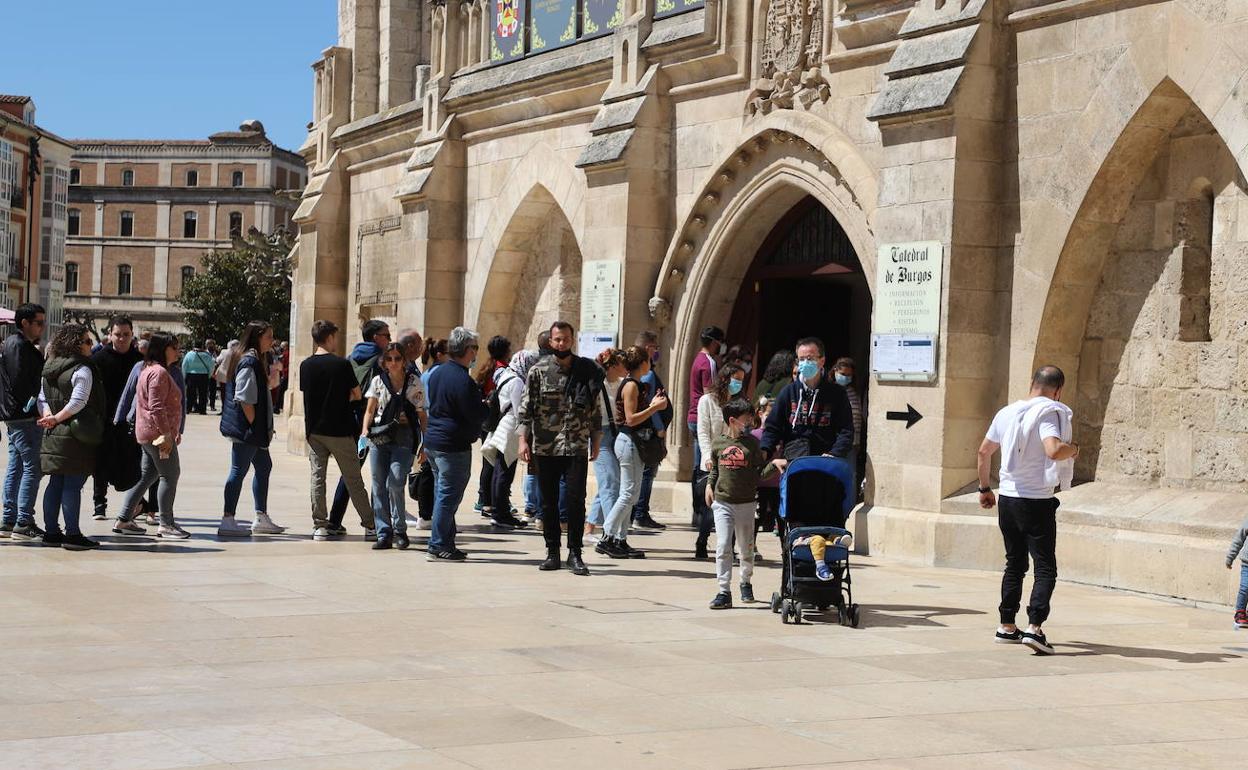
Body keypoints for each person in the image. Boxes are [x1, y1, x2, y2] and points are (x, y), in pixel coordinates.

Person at [976, 365, 1078, 657]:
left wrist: (985, 489)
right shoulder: (1049, 413)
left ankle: (1006, 625)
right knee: (1045, 567)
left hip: (1007, 499)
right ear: (1057, 391)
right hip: (1035, 500)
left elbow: (984, 451)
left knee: (1014, 563)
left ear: (1032, 383)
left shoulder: (1007, 412)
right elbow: (1054, 450)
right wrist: (1075, 449)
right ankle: (1035, 628)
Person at [518, 321, 602, 576]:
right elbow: (526, 409)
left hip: (576, 445)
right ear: (550, 342)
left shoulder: (587, 370)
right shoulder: (538, 371)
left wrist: (596, 442)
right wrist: (523, 440)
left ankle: (575, 553)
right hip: (546, 446)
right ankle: (552, 551)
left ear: (572, 340)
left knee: (576, 500)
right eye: (557, 340)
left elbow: (595, 410)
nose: (561, 344)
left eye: (565, 339)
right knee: (548, 502)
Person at [300, 320, 374, 541]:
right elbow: (357, 393)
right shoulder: (341, 365)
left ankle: (320, 526)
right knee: (353, 479)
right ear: (330, 337)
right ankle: (370, 525)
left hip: (315, 430)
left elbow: (308, 395)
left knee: (317, 477)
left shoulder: (305, 365)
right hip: (339, 429)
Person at [705, 398, 782, 608]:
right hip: (723, 502)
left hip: (747, 503)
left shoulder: (752, 444)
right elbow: (714, 469)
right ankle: (723, 590)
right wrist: (709, 485)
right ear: (732, 420)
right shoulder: (719, 443)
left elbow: (759, 473)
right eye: (746, 419)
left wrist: (773, 465)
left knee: (746, 548)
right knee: (722, 546)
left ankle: (745, 581)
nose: (750, 422)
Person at [111, 333, 188, 539]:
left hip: (148, 433)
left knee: (148, 474)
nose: (177, 351)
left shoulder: (147, 369)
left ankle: (124, 518)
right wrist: (167, 434)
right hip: (157, 435)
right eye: (174, 347)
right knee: (170, 474)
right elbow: (156, 407)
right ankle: (166, 523)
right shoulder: (159, 372)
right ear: (163, 349)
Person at [36, 324, 105, 551]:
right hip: (75, 434)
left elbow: (42, 397)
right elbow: (78, 402)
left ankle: (51, 532)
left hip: (52, 432)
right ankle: (72, 534)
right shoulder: (82, 369)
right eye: (87, 341)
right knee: (72, 485)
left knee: (55, 482)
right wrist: (57, 417)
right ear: (75, 344)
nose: (90, 345)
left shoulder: (49, 367)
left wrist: (48, 416)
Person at [423, 327, 488, 561]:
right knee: (448, 497)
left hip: (434, 441)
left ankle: (446, 542)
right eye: (475, 349)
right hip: (452, 446)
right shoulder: (463, 380)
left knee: (443, 493)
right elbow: (475, 414)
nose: (476, 354)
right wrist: (487, 407)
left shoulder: (438, 372)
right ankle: (438, 544)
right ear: (468, 350)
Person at [218, 321, 288, 537]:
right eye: (268, 336)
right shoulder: (249, 361)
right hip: (248, 430)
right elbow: (245, 398)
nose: (272, 340)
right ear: (257, 337)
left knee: (264, 466)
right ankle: (228, 518)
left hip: (254, 430)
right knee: (238, 471)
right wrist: (253, 423)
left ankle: (261, 516)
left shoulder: (255, 359)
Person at [599, 346, 668, 559]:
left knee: (632, 494)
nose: (651, 363)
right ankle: (607, 537)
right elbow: (630, 419)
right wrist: (655, 407)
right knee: (628, 493)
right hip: (629, 441)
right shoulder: (630, 386)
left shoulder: (635, 384)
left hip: (633, 442)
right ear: (643, 363)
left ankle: (620, 539)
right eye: (648, 359)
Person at [361, 342, 427, 550]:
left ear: (404, 360)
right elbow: (370, 410)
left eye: (398, 358)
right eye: (389, 359)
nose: (393, 362)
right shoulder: (378, 381)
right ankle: (384, 532)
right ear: (384, 361)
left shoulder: (414, 382)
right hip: (380, 437)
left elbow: (422, 415)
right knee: (378, 484)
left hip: (404, 437)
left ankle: (400, 529)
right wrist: (365, 431)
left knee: (396, 481)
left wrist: (425, 443)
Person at [328, 320, 390, 529]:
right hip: (374, 422)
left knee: (351, 472)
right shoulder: (381, 361)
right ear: (376, 337)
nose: (389, 340)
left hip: (351, 420)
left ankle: (335, 520)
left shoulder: (350, 357)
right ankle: (376, 524)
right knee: (380, 474)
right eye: (387, 336)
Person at [759, 337, 854, 462]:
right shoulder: (788, 392)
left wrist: (834, 453)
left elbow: (846, 430)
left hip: (825, 463)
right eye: (801, 359)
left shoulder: (837, 394)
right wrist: (764, 450)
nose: (805, 363)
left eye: (809, 359)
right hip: (793, 461)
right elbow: (773, 427)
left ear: (822, 361)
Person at [0, 303, 47, 541]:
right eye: (38, 322)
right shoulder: (18, 345)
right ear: (24, 323)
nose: (42, 327)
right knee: (33, 467)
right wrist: (35, 406)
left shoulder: (16, 344)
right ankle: (23, 521)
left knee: (17, 466)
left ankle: (9, 520)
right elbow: (21, 381)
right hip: (24, 415)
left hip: (16, 415)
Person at [90, 315, 144, 520]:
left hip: (131, 423)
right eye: (118, 334)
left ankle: (136, 504)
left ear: (132, 335)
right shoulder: (98, 360)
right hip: (104, 420)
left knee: (132, 463)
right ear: (110, 335)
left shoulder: (139, 361)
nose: (122, 339)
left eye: (126, 335)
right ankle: (99, 504)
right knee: (101, 463)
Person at [694, 363, 746, 559]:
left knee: (732, 506)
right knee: (710, 507)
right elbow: (703, 432)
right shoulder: (706, 401)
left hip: (733, 462)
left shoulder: (740, 403)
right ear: (725, 379)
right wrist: (707, 456)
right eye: (736, 379)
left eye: (741, 379)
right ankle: (702, 539)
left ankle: (729, 547)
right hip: (712, 462)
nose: (738, 383)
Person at [479, 345, 528, 530]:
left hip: (503, 426)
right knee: (504, 472)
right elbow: (518, 410)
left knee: (500, 471)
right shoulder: (516, 381)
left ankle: (499, 512)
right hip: (510, 429)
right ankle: (501, 514)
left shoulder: (505, 375)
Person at [631, 330, 672, 531]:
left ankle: (638, 512)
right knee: (648, 473)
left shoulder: (643, 373)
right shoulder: (647, 374)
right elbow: (650, 403)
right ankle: (640, 513)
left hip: (646, 430)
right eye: (655, 348)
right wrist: (659, 429)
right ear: (647, 348)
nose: (657, 351)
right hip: (650, 432)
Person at [687, 325, 724, 531]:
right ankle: (704, 514)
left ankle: (698, 513)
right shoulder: (708, 362)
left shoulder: (697, 359)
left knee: (697, 468)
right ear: (714, 342)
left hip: (694, 416)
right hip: (703, 417)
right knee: (706, 469)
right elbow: (710, 392)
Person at [587, 349, 625, 543]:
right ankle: (612, 534)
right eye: (621, 363)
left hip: (616, 435)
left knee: (610, 482)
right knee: (610, 482)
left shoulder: (620, 385)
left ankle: (590, 526)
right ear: (611, 365)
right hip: (600, 437)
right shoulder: (597, 385)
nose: (625, 366)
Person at [474, 335, 512, 519]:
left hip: (485, 419)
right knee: (493, 460)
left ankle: (484, 497)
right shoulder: (502, 370)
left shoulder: (486, 368)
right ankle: (488, 500)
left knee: (487, 459)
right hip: (496, 421)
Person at [414, 337, 448, 528]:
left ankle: (426, 514)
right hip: (433, 426)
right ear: (440, 354)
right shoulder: (437, 374)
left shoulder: (428, 374)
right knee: (432, 472)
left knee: (429, 471)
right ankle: (428, 515)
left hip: (429, 425)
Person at [833, 356, 864, 497]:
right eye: (843, 374)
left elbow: (857, 419)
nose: (845, 378)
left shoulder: (853, 392)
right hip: (833, 442)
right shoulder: (830, 390)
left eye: (849, 375)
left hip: (851, 444)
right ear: (835, 371)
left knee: (850, 477)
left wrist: (857, 441)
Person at [1226, 518, 1248, 629]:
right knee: (1245, 588)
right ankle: (1240, 612)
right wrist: (1230, 558)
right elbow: (1238, 540)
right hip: (1247, 563)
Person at [181, 341, 214, 415]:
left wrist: (184, 376)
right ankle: (202, 410)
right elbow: (212, 366)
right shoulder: (207, 355)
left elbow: (184, 365)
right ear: (202, 346)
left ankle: (188, 408)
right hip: (204, 375)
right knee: (203, 393)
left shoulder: (189, 354)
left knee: (190, 393)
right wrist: (209, 375)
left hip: (191, 375)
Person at [213, 340, 237, 415]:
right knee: (233, 393)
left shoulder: (224, 352)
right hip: (234, 376)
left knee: (223, 393)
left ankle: (224, 409)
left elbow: (218, 360)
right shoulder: (239, 353)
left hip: (223, 375)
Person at [204, 339, 220, 412]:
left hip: (214, 375)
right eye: (209, 344)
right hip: (205, 374)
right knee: (204, 391)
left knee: (213, 391)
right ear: (206, 345)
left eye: (212, 344)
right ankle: (204, 404)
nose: (211, 345)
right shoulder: (204, 353)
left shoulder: (217, 353)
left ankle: (212, 405)